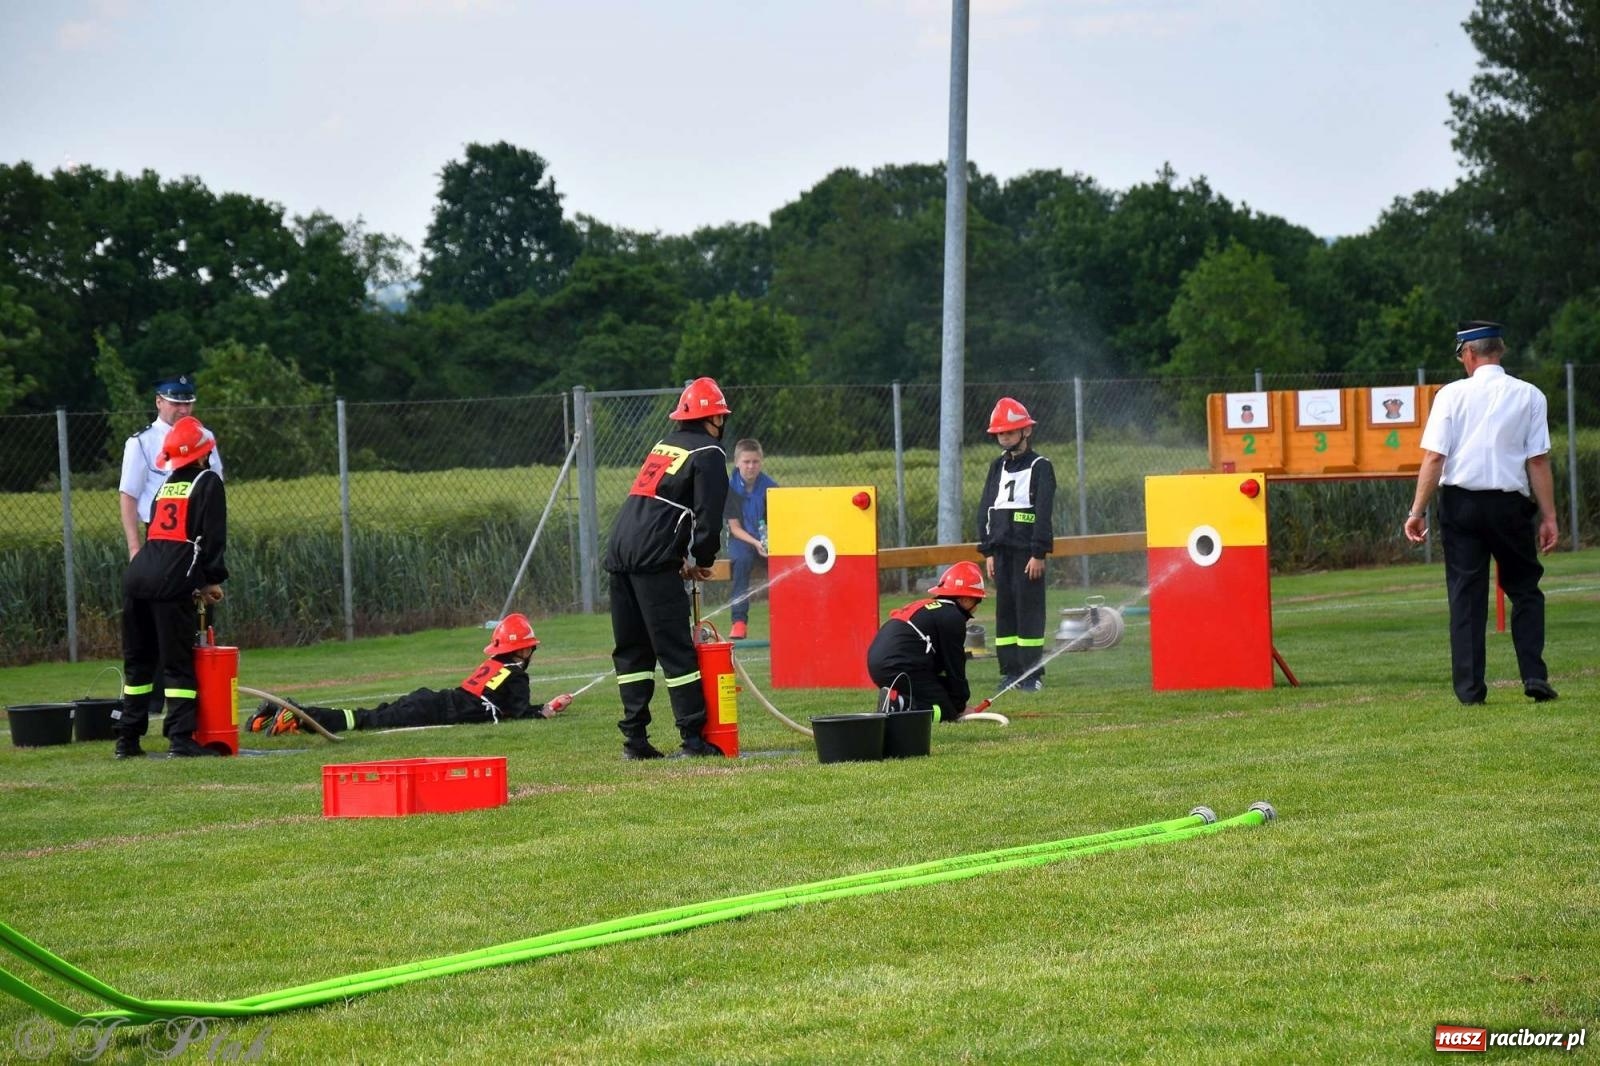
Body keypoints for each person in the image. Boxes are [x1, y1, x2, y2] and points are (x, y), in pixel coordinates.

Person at [1404, 321, 1559, 705]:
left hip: (1461, 506)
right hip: (1509, 506)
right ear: (1499, 351)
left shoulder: (1450, 395)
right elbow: (1537, 461)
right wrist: (1549, 517)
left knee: (1466, 596)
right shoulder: (1530, 395)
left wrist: (1417, 510)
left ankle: (1470, 690)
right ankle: (1534, 675)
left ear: (1470, 353)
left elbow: (1435, 457)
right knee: (1525, 589)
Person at [604, 377, 732, 760]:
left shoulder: (665, 445)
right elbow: (709, 517)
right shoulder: (709, 452)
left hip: (620, 550)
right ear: (716, 419)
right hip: (653, 558)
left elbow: (658, 507)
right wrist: (702, 560)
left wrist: (679, 558)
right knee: (676, 651)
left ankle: (635, 741)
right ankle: (693, 740)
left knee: (633, 651)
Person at [247, 613, 573, 734]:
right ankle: (298, 715)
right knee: (367, 720)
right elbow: (518, 713)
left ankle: (288, 716)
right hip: (434, 709)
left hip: (432, 700)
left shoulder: (495, 666)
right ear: (524, 650)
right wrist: (546, 710)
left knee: (371, 715)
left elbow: (501, 705)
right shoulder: (516, 675)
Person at [117, 416, 228, 759]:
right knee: (177, 663)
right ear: (203, 454)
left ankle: (127, 741)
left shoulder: (166, 484)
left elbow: (159, 532)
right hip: (170, 583)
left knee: (138, 665)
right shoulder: (208, 481)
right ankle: (180, 740)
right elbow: (212, 536)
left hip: (138, 576)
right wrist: (211, 579)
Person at [975, 397, 1055, 691]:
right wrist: (988, 550)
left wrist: (1038, 552)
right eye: (1000, 433)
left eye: (1010, 432)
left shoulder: (1040, 466)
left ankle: (1031, 674)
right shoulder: (997, 466)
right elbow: (987, 507)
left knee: (1029, 612)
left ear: (1026, 431)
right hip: (1001, 552)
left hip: (1027, 554)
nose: (1004, 437)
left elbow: (1043, 513)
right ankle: (1010, 672)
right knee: (1005, 612)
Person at [866, 561, 987, 722]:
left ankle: (899, 699)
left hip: (880, 664)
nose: (976, 608)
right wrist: (959, 707)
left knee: (944, 693)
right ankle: (900, 705)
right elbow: (955, 666)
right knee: (946, 713)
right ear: (966, 599)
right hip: (899, 666)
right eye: (977, 601)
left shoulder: (929, 607)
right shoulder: (953, 617)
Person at [120, 375, 223, 561]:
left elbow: (216, 484)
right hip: (161, 534)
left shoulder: (205, 437)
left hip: (201, 532)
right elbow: (129, 495)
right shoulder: (141, 442)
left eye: (188, 403)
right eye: (176, 403)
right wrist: (134, 548)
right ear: (159, 402)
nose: (184, 410)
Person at [723, 438, 778, 641]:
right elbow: (735, 528)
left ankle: (785, 618)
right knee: (742, 561)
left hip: (766, 540)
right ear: (737, 462)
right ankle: (739, 621)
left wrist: (768, 542)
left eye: (755, 462)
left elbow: (777, 522)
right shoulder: (729, 489)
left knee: (781, 563)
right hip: (742, 540)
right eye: (746, 462)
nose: (751, 466)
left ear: (761, 462)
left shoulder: (771, 488)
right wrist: (756, 543)